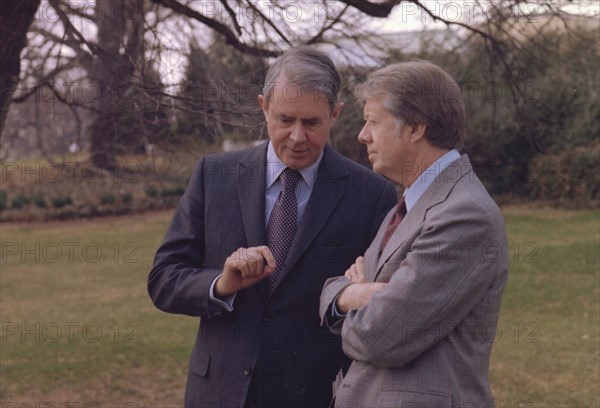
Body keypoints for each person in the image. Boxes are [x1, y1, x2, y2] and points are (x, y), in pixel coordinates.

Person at [147, 46, 397, 408]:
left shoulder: (371, 194)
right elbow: (164, 279)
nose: (297, 137)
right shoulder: (214, 176)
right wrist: (222, 284)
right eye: (285, 120)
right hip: (218, 392)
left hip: (314, 394)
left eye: (311, 123)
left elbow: (380, 307)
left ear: (336, 115)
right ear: (263, 107)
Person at [319, 61, 509, 407]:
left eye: (374, 122)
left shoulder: (464, 216)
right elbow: (335, 289)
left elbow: (381, 337)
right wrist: (349, 295)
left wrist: (352, 298)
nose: (363, 135)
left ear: (415, 128)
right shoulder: (409, 204)